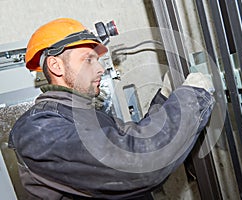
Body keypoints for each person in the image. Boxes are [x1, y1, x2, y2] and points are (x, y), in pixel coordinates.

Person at [8, 18, 215, 200]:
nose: (99, 69)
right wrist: (192, 98)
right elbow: (137, 165)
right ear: (56, 66)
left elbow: (138, 138)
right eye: (88, 59)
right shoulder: (38, 130)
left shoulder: (87, 117)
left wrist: (166, 96)